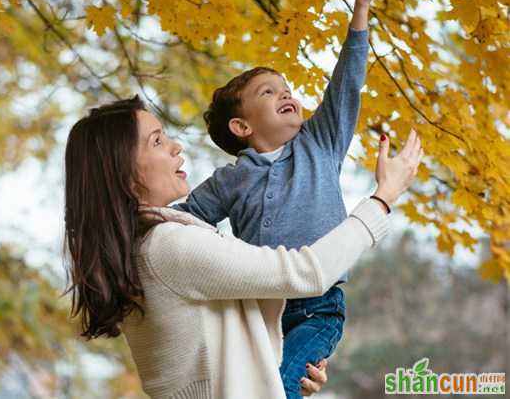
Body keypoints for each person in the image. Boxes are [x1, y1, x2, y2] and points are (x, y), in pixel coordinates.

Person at [63, 96, 422, 398]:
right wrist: (383, 198)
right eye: (157, 141)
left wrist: (280, 370)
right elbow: (305, 272)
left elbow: (214, 357)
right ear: (123, 172)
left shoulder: (143, 249)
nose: (176, 146)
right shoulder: (167, 246)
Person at [173, 0, 387, 398]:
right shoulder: (229, 181)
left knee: (283, 385)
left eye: (286, 88)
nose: (285, 93)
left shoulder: (320, 144)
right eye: (268, 92)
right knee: (251, 382)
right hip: (257, 308)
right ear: (241, 127)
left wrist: (361, 9)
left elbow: (346, 84)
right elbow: (183, 223)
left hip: (318, 306)